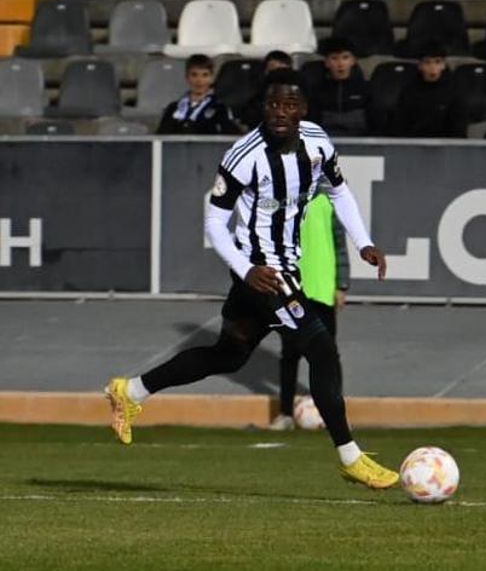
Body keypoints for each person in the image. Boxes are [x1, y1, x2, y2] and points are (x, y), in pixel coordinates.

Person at [105, 69, 399, 489]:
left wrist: (363, 241)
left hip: (281, 270)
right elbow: (215, 221)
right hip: (262, 273)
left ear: (303, 110)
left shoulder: (317, 141)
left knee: (228, 356)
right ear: (264, 107)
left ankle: (130, 391)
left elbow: (338, 191)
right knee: (321, 350)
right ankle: (350, 457)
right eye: (273, 104)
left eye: (290, 105)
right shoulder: (245, 155)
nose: (281, 112)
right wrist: (246, 270)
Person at [269, 178, 350, 431]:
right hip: (290, 290)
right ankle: (285, 414)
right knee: (289, 354)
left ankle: (336, 414)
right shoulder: (281, 203)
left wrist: (341, 284)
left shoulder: (328, 201)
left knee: (328, 355)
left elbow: (339, 245)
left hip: (322, 289)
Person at [387, 40, 463, 138]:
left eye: (437, 62)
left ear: (443, 65)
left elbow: (459, 130)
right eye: (427, 62)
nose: (433, 67)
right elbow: (400, 126)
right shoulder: (409, 91)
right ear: (420, 66)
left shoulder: (454, 92)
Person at [157, 54, 239, 135]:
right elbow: (160, 138)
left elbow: (231, 137)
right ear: (187, 77)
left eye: (205, 75)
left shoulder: (219, 109)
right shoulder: (173, 108)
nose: (199, 80)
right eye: (194, 75)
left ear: (212, 78)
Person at [310, 37, 371, 137]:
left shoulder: (366, 89)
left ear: (353, 61)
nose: (340, 64)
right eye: (334, 58)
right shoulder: (317, 90)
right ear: (327, 63)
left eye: (345, 57)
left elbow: (374, 122)